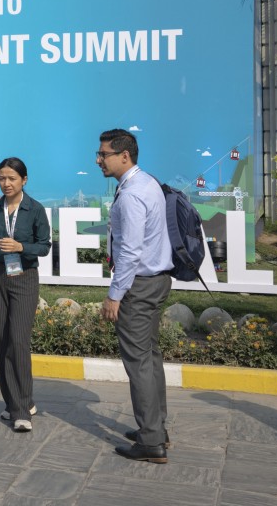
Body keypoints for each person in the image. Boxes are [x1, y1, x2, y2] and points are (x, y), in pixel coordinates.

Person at [97, 128, 173, 464]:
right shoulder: (148, 183)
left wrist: (115, 294)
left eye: (104, 154)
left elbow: (129, 251)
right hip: (157, 281)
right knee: (151, 357)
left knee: (139, 363)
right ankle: (156, 429)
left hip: (139, 287)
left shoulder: (130, 195)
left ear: (123, 156)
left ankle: (151, 441)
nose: (99, 160)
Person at [0, 157, 51, 432]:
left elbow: (44, 246)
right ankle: (12, 403)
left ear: (24, 180)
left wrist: (21, 246)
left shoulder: (35, 209)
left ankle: (23, 411)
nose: (6, 183)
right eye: (2, 178)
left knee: (18, 340)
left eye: (11, 178)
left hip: (23, 277)